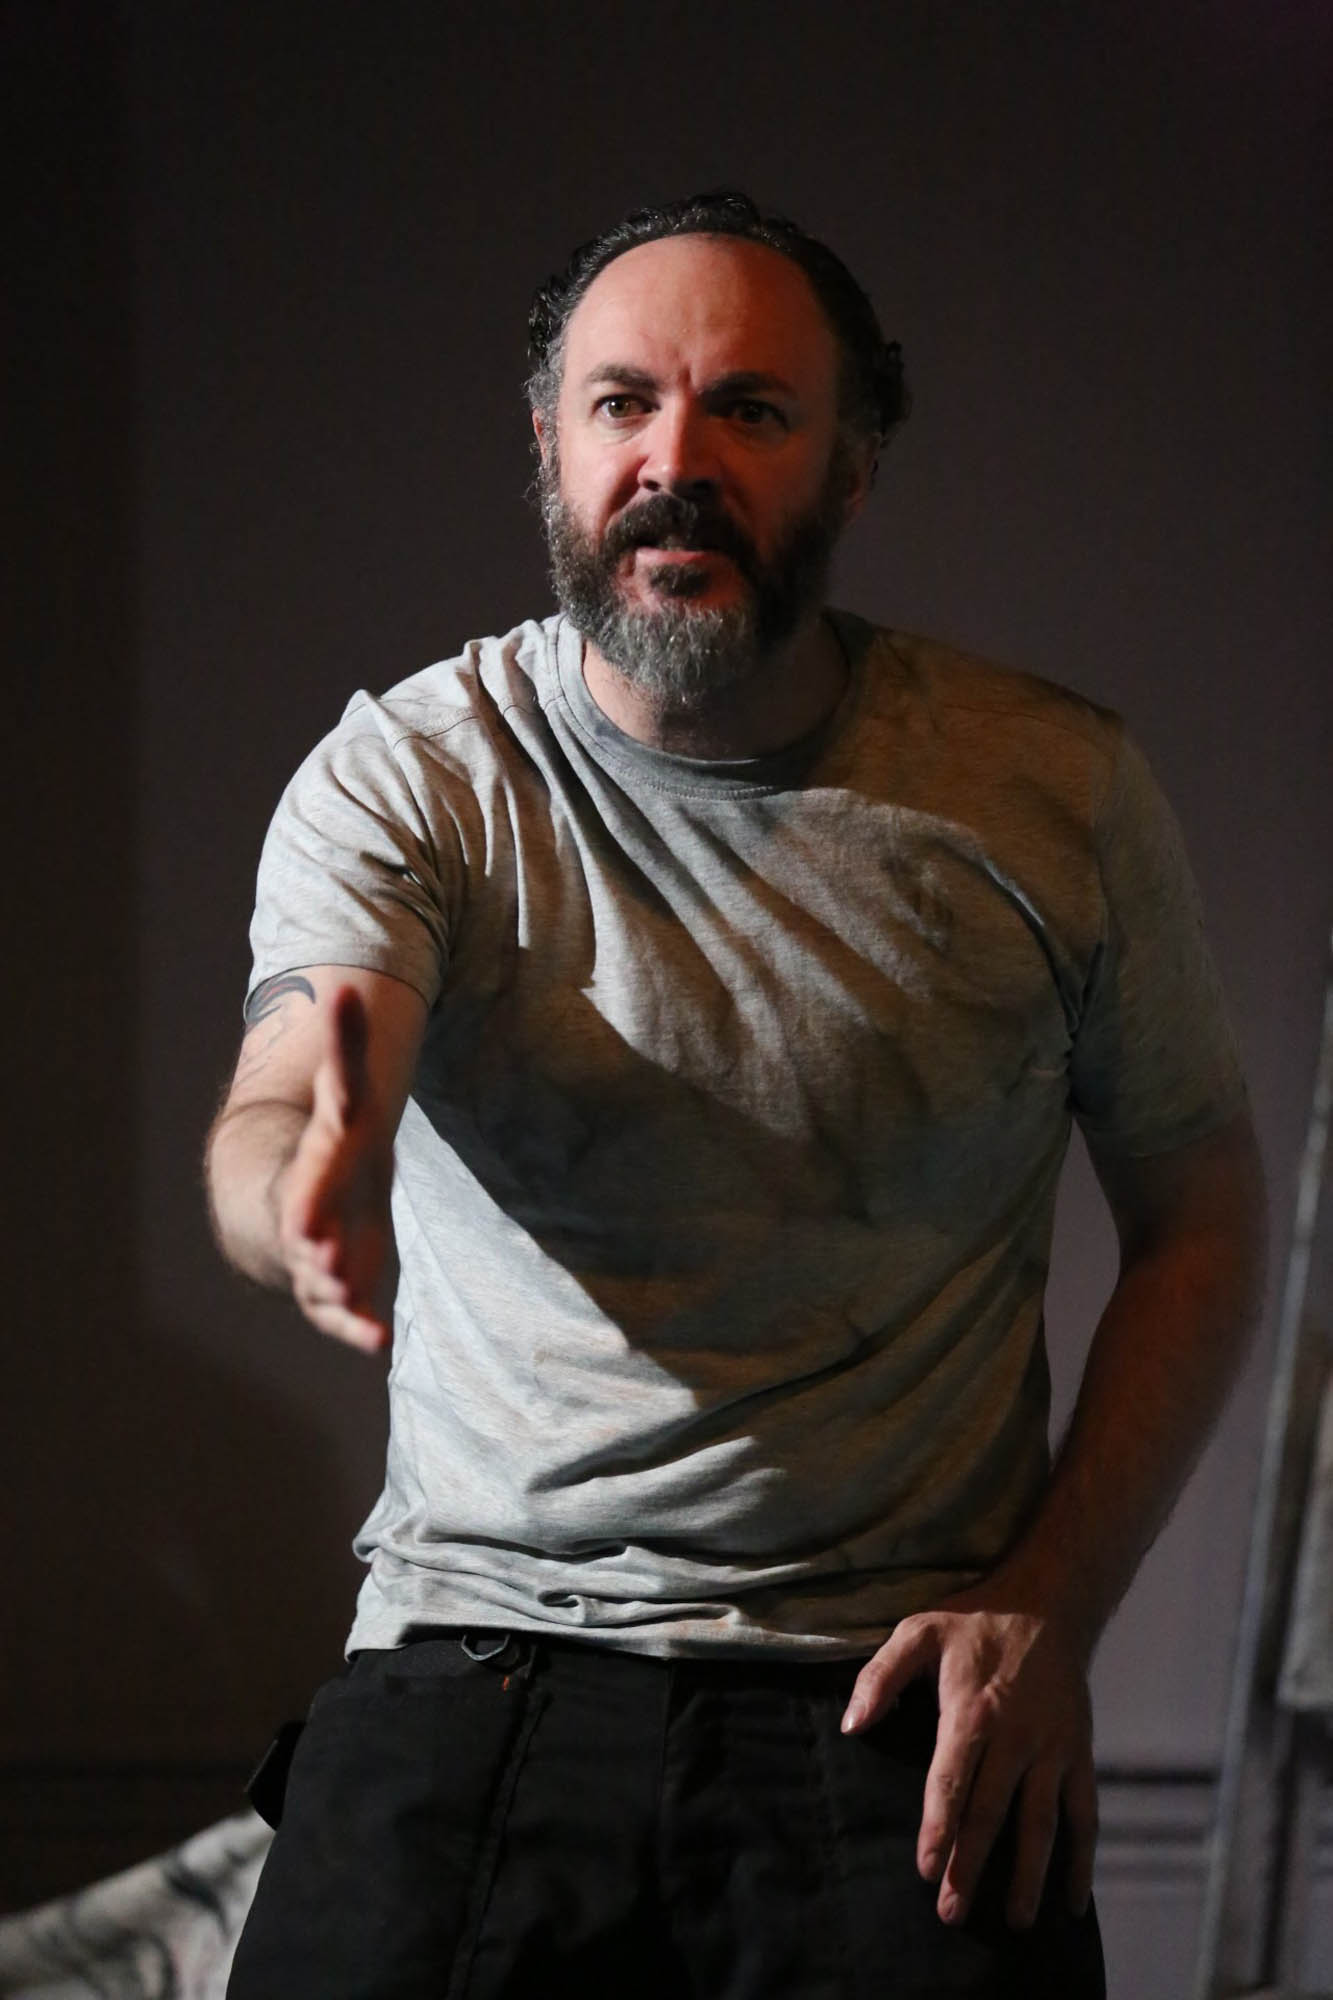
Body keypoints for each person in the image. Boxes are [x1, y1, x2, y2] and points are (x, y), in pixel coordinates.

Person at [208, 190, 1266, 1998]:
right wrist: (299, 1179)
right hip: (483, 1654)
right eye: (620, 404)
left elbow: (1201, 1220)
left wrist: (1052, 1606)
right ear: (549, 444)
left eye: (749, 412)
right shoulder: (416, 775)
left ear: (850, 467)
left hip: (895, 1695)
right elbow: (286, 1094)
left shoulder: (1050, 789)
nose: (673, 464)